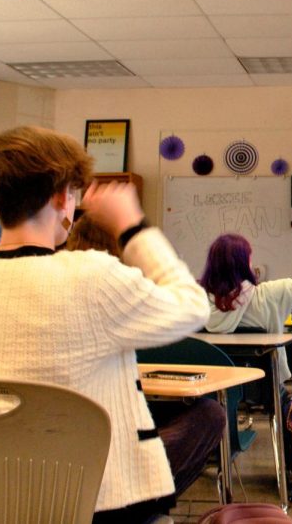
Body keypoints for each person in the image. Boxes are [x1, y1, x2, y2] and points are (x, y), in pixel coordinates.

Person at [0, 126, 210, 523]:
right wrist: (133, 226)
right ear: (63, 197)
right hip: (92, 504)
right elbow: (192, 306)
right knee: (205, 419)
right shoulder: (91, 276)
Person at [66, 214, 225, 500]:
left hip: (53, 457)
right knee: (210, 414)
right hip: (104, 473)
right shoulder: (118, 292)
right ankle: (144, 496)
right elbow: (191, 308)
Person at [201, 217, 292, 388]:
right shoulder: (272, 294)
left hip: (214, 390)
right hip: (266, 389)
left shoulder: (197, 302)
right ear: (245, 264)